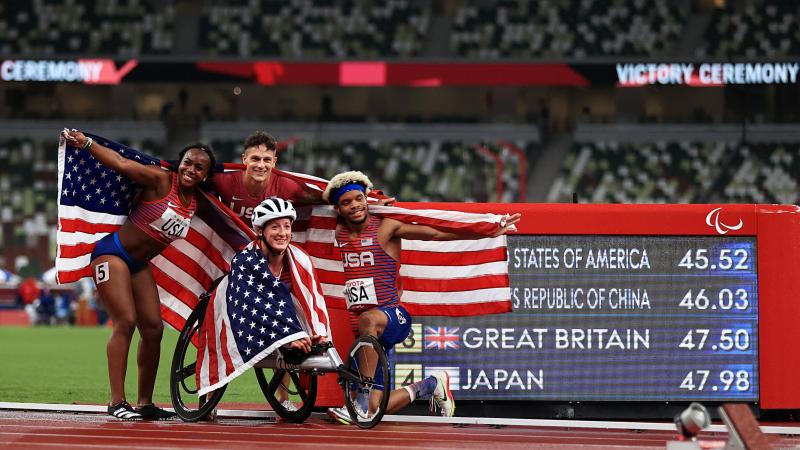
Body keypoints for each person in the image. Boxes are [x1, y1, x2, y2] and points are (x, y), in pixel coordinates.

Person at [323, 171, 520, 424]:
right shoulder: (338, 232)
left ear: (366, 199)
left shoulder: (385, 227)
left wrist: (485, 230)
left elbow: (436, 233)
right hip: (366, 335)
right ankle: (431, 384)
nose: (354, 205)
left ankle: (360, 395)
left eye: (359, 199)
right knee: (375, 408)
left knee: (367, 322)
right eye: (346, 202)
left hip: (393, 318)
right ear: (338, 209)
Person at [62, 129, 217, 421]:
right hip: (112, 254)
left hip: (138, 265)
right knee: (126, 321)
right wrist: (87, 144)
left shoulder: (198, 200)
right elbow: (121, 164)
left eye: (199, 167)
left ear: (206, 176)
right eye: (187, 162)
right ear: (179, 162)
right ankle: (117, 401)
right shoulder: (161, 180)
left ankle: (145, 403)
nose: (191, 170)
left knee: (154, 330)